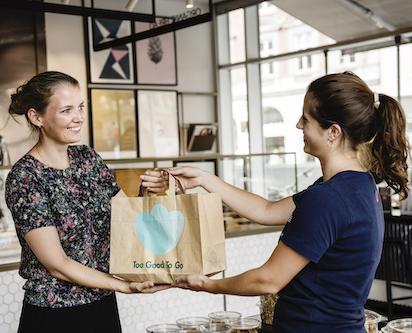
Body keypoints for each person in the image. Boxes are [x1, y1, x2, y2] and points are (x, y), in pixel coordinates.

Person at [170, 72, 409, 333]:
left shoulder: (329, 199)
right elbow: (266, 210)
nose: (298, 125)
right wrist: (206, 180)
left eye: (306, 119)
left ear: (333, 132)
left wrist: (206, 285)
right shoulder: (358, 185)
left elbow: (268, 280)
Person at [5, 71, 168, 333]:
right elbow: (58, 265)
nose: (79, 117)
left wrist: (149, 191)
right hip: (55, 314)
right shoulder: (25, 177)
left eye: (80, 107)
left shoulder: (87, 159)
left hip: (102, 304)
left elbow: (127, 219)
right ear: (37, 117)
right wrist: (123, 285)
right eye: (67, 110)